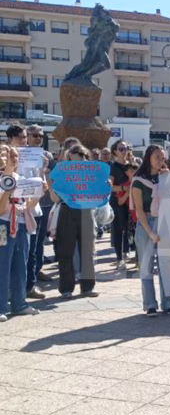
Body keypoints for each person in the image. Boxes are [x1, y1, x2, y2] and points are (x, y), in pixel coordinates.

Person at [0, 146, 44, 322]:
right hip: (3, 225)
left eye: (15, 155)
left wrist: (39, 193)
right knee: (3, 266)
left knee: (21, 265)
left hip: (21, 224)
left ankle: (19, 303)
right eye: (5, 154)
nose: (12, 158)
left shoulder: (22, 180)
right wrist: (8, 188)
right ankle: (1, 306)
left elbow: (29, 207)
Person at [50, 145, 99, 299]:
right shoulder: (63, 171)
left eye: (82, 156)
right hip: (67, 210)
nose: (80, 159)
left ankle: (87, 287)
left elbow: (98, 192)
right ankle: (66, 288)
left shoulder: (92, 171)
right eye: (75, 155)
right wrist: (52, 186)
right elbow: (56, 197)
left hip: (85, 210)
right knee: (65, 250)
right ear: (69, 156)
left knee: (87, 251)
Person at [130, 145, 170, 317]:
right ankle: (150, 304)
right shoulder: (139, 180)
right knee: (146, 267)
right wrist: (150, 232)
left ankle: (168, 303)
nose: (160, 161)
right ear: (148, 157)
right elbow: (139, 210)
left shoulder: (165, 177)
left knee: (166, 266)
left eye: (162, 157)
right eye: (157, 157)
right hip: (146, 223)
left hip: (164, 221)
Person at [22, 125, 50, 299]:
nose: (38, 138)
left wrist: (43, 170)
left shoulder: (41, 156)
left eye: (40, 135)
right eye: (34, 135)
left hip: (37, 208)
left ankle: (30, 284)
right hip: (21, 210)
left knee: (35, 248)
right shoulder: (20, 156)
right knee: (23, 251)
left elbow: (42, 183)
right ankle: (20, 286)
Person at [109, 140, 132, 271]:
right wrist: (124, 188)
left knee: (129, 227)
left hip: (132, 200)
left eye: (126, 148)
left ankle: (127, 251)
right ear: (115, 151)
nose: (124, 151)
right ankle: (119, 258)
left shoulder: (132, 164)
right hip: (118, 201)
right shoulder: (113, 166)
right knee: (118, 229)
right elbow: (110, 186)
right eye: (121, 149)